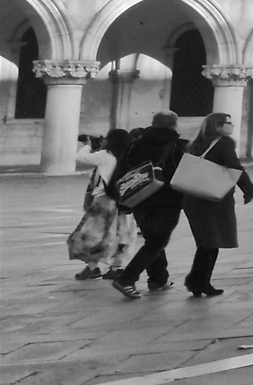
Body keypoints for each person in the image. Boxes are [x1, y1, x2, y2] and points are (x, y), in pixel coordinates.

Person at [109, 112, 189, 298]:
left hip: (140, 198)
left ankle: (158, 279)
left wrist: (118, 197)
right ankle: (127, 278)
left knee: (152, 239)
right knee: (157, 241)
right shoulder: (178, 145)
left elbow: (120, 171)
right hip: (168, 200)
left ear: (153, 123)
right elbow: (185, 173)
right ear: (174, 125)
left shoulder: (135, 144)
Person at [177, 111, 253, 297]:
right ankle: (201, 282)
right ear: (218, 126)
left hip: (193, 197)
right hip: (212, 197)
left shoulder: (198, 143)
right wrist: (248, 188)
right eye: (228, 123)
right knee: (212, 242)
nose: (231, 126)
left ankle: (196, 281)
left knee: (205, 242)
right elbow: (234, 166)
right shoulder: (224, 143)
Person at [67, 129, 137, 282]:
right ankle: (116, 268)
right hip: (125, 201)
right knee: (121, 235)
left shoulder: (105, 155)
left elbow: (80, 157)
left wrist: (87, 145)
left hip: (104, 201)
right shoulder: (131, 155)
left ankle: (92, 268)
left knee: (93, 236)